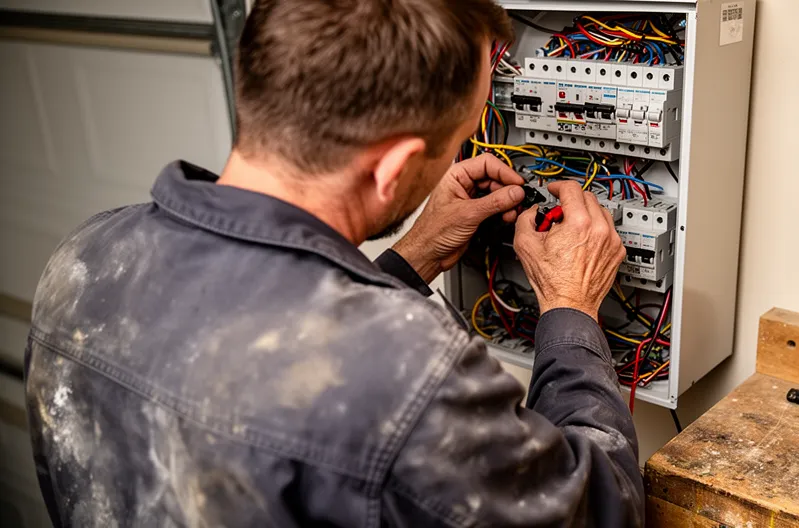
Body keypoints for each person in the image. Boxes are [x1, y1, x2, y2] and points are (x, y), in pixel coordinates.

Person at [24, 0, 641, 526]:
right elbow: (600, 509)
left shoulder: (86, 259)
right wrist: (570, 304)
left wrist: (413, 257)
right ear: (393, 168)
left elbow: (275, 341)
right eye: (457, 140)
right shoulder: (408, 374)